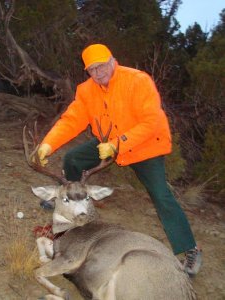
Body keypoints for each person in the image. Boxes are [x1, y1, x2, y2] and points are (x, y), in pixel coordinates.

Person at [36, 43, 202, 276]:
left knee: (161, 195)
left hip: (145, 146)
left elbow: (150, 121)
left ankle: (190, 249)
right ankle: (73, 204)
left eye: (102, 65)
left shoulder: (138, 80)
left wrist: (117, 144)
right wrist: (48, 143)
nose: (98, 72)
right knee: (73, 159)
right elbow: (71, 120)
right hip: (108, 144)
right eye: (92, 69)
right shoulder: (86, 90)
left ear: (113, 60)